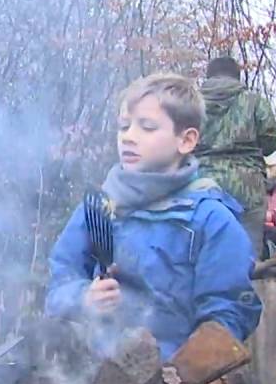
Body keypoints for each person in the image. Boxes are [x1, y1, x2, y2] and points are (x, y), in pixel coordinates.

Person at [45, 73, 262, 362]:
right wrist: (83, 297)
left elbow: (228, 312)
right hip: (91, 377)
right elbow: (59, 285)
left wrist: (183, 373)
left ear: (186, 140)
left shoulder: (210, 219)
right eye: (124, 127)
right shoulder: (98, 210)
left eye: (147, 127)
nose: (129, 137)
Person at [196, 56, 276, 257]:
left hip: (201, 181)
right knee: (248, 251)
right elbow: (270, 141)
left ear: (208, 76)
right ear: (237, 76)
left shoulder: (191, 104)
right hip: (247, 184)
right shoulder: (254, 101)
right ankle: (246, 285)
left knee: (204, 250)